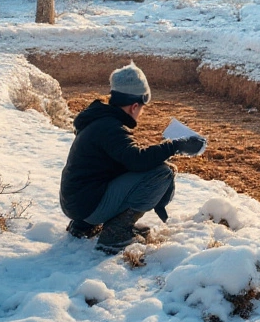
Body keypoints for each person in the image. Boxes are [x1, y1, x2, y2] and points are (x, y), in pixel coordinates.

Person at [59, 62, 206, 254]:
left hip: (76, 202)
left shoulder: (99, 121)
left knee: (130, 169)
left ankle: (84, 226)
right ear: (134, 106)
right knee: (162, 173)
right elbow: (137, 160)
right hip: (87, 204)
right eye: (143, 107)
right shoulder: (111, 128)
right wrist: (175, 145)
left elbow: (123, 160)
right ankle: (116, 233)